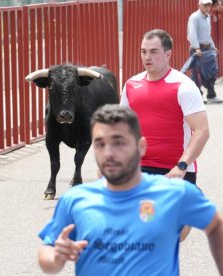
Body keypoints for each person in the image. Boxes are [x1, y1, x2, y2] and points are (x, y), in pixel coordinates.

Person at [37, 104, 223, 275]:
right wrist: (56, 258)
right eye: (100, 144)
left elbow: (215, 224)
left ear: (141, 146)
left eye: (118, 143)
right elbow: (47, 249)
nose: (108, 153)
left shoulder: (175, 193)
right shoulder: (75, 199)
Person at [121, 29, 209, 186]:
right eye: (143, 51)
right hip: (137, 168)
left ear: (168, 54)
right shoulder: (131, 84)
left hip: (175, 170)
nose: (147, 57)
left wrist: (181, 166)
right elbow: (121, 128)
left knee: (195, 210)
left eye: (154, 52)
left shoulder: (184, 86)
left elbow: (202, 131)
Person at [187, 0, 223, 103]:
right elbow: (192, 34)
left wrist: (213, 46)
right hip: (197, 49)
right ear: (199, 5)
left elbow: (207, 34)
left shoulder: (208, 17)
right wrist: (197, 48)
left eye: (209, 5)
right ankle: (198, 96)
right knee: (197, 74)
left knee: (212, 71)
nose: (207, 7)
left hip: (208, 49)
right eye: (205, 5)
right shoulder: (194, 17)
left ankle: (211, 96)